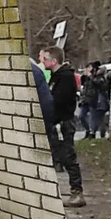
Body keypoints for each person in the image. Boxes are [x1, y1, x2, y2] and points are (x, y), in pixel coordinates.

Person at [40, 46, 86, 207]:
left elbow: (60, 101)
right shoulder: (56, 76)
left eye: (45, 59)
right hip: (56, 123)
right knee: (58, 156)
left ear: (53, 61)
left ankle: (77, 192)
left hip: (63, 123)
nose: (42, 62)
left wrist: (54, 117)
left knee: (68, 157)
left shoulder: (65, 77)